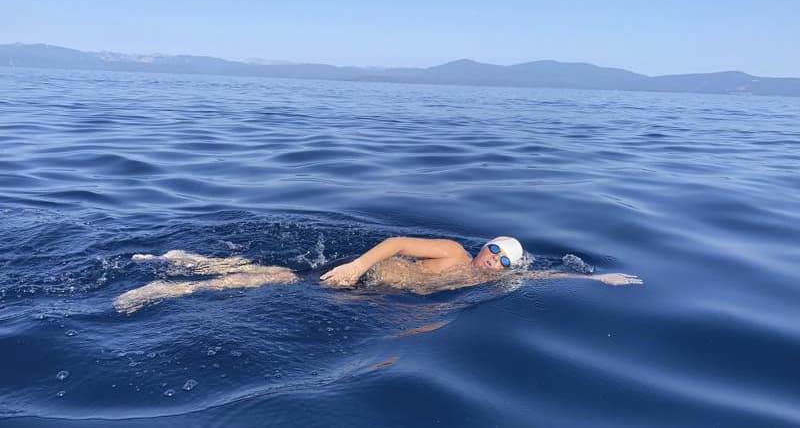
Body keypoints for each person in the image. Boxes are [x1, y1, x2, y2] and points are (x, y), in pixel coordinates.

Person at [113, 236, 641, 314]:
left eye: (503, 261)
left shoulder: (490, 285)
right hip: (358, 276)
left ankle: (180, 262)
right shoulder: (454, 253)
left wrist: (599, 281)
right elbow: (394, 243)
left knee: (270, 273)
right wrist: (356, 266)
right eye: (492, 252)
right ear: (482, 247)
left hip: (371, 293)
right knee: (270, 277)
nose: (492, 261)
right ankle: (174, 279)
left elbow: (546, 278)